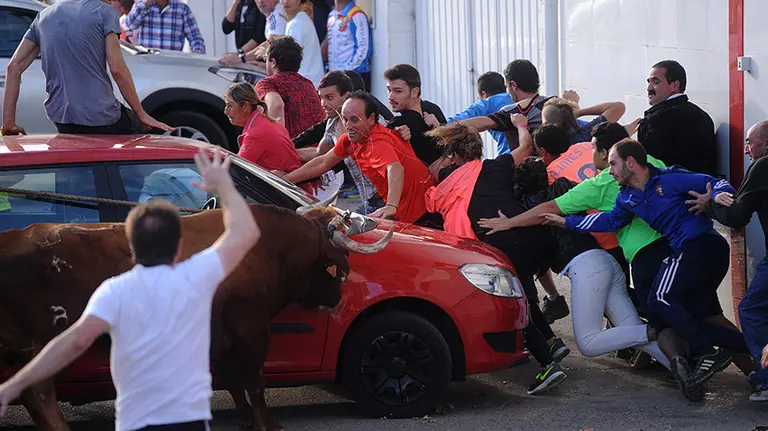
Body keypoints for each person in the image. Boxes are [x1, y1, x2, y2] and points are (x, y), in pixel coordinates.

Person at [0, 148, 262, 430]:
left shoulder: (114, 292)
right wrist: (224, 187)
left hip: (135, 422)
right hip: (189, 421)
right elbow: (246, 232)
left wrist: (14, 385)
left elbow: (71, 343)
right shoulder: (197, 276)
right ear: (178, 246)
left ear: (131, 245)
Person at [546, 139, 749, 396]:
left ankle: (706, 351)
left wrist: (718, 195)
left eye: (613, 164)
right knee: (690, 313)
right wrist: (566, 223)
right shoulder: (628, 198)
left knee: (660, 298)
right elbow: (609, 220)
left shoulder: (669, 179)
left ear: (631, 163)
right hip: (690, 252)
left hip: (703, 246)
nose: (610, 171)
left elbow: (714, 181)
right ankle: (752, 356)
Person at [1, 0, 172, 136]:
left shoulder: (43, 16)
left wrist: (8, 123)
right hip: (101, 115)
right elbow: (117, 69)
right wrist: (141, 114)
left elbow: (14, 67)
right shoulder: (106, 12)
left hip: (61, 117)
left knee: (76, 170)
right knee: (146, 134)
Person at [687, 119, 768, 401]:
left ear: (766, 143)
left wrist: (709, 205)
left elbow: (737, 216)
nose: (747, 149)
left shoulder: (763, 166)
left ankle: (767, 379)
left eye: (749, 142)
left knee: (751, 310)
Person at [283, 92, 434, 224]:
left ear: (371, 118)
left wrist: (391, 206)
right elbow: (322, 162)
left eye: (354, 120)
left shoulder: (377, 142)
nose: (348, 126)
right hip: (391, 206)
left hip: (419, 213)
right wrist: (286, 180)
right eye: (344, 119)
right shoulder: (349, 139)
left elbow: (395, 168)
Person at [638, 60, 718, 176]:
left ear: (675, 85)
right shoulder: (702, 115)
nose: (649, 88)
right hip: (700, 187)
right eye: (648, 82)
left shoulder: (661, 119)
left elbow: (645, 161)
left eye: (656, 82)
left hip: (666, 189)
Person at [255, 36, 325, 139]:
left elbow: (276, 106)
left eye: (266, 59)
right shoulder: (308, 84)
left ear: (273, 62)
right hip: (317, 148)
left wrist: (278, 144)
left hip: (292, 148)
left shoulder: (267, 84)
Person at [224, 82, 301, 173]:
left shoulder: (255, 134)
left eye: (230, 106)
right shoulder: (268, 122)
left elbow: (236, 171)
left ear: (245, 106)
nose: (225, 111)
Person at [383, 64, 447, 168]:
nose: (390, 96)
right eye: (389, 90)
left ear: (414, 92)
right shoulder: (431, 109)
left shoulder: (432, 110)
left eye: (398, 91)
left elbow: (452, 152)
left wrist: (438, 129)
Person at [442, 71, 514, 155]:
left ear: (484, 95)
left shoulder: (487, 103)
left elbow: (457, 121)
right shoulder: (515, 97)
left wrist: (439, 125)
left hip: (509, 155)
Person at [124, 0, 206, 54]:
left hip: (172, 64)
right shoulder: (141, 6)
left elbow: (195, 38)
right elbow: (130, 24)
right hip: (147, 63)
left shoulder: (182, 9)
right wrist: (145, 4)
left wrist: (197, 55)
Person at [324, 0, 372, 90]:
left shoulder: (357, 15)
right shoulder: (331, 15)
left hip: (355, 76)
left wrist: (347, 70)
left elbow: (364, 48)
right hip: (335, 75)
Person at [280, 0, 325, 86]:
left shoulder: (298, 23)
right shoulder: (298, 19)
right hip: (307, 83)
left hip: (306, 84)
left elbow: (288, 57)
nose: (286, 2)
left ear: (298, 1)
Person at [218, 0, 267, 65]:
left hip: (257, 56)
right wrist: (235, 3)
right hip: (243, 57)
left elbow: (259, 36)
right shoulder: (241, 4)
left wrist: (240, 54)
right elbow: (226, 28)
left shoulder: (260, 4)